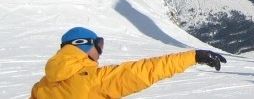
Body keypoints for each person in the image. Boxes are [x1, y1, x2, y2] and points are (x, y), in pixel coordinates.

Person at [30, 27, 227, 99]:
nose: (100, 51)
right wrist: (194, 56)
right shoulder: (94, 80)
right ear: (82, 46)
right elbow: (146, 71)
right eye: (98, 45)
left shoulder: (43, 85)